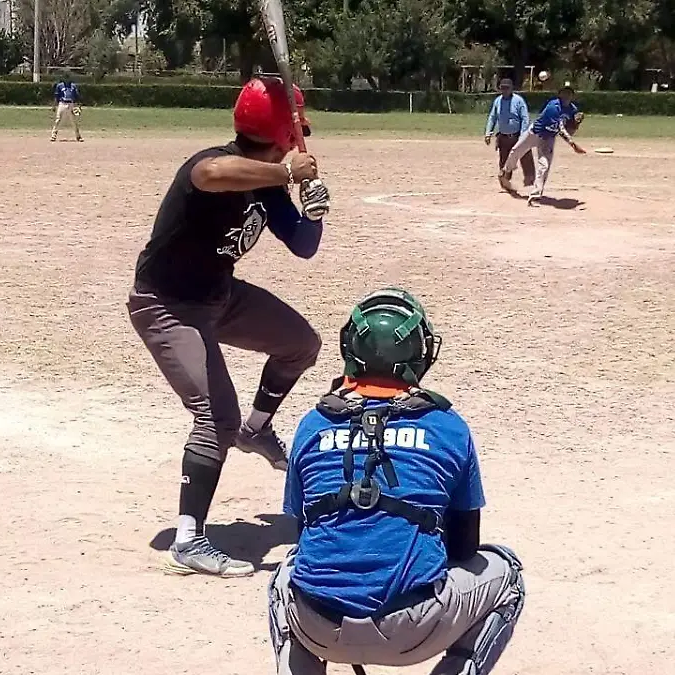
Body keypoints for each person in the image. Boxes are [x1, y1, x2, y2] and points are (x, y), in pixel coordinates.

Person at [128, 77, 332, 578]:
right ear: (282, 133)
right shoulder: (216, 163)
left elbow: (303, 245)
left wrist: (315, 211)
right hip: (167, 305)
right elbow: (212, 173)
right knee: (214, 416)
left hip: (219, 296)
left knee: (300, 344)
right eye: (295, 129)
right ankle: (188, 541)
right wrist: (284, 171)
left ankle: (255, 431)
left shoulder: (267, 182)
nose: (299, 137)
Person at [268, 288, 525, 675]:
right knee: (508, 575)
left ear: (350, 352)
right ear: (419, 355)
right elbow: (465, 546)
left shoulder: (313, 425)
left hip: (317, 624)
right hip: (414, 628)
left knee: (285, 575)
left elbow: (303, 533)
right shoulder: (446, 426)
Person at [500, 81, 586, 206]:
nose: (567, 95)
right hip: (534, 133)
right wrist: (572, 144)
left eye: (569, 93)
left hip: (548, 139)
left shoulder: (572, 110)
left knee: (544, 166)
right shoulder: (553, 107)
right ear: (559, 94)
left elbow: (569, 131)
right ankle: (505, 171)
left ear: (572, 95)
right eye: (564, 92)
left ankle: (535, 195)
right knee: (515, 151)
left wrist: (576, 124)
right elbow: (560, 129)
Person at [483, 78, 535, 190]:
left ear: (512, 88)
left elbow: (525, 118)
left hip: (517, 136)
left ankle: (530, 181)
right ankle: (505, 181)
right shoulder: (498, 101)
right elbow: (492, 117)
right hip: (503, 137)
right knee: (504, 160)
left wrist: (523, 136)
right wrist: (488, 133)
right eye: (502, 88)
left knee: (525, 156)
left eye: (507, 88)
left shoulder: (519, 101)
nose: (504, 90)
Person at [51, 72, 82, 142]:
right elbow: (56, 96)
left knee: (74, 121)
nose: (66, 79)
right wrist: (54, 105)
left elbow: (77, 96)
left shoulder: (73, 86)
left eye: (67, 77)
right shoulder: (59, 86)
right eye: (65, 77)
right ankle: (54, 135)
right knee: (58, 120)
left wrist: (78, 105)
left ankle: (78, 136)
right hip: (62, 103)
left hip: (71, 104)